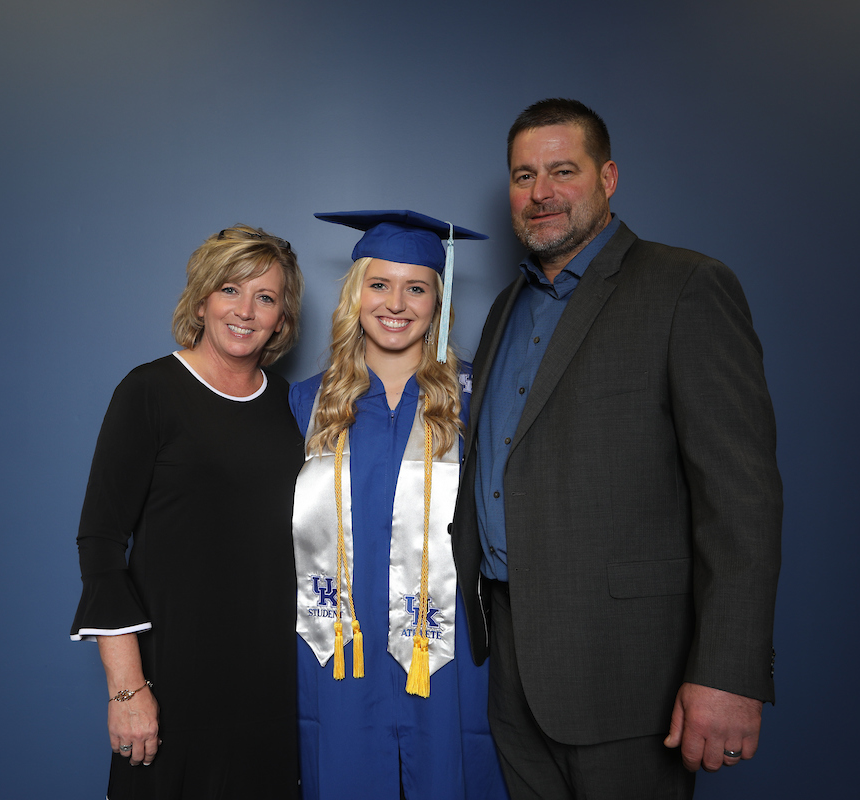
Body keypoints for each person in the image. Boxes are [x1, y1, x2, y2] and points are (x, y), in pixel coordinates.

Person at [449, 98, 783, 799]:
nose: (540, 193)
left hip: (630, 670)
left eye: (562, 170)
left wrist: (728, 670)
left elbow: (741, 497)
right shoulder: (508, 308)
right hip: (511, 659)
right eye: (523, 175)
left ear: (608, 178)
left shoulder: (685, 287)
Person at [70, 224, 305, 799]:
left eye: (265, 297)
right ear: (201, 300)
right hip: (170, 681)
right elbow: (100, 542)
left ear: (282, 318)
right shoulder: (150, 391)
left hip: (271, 685)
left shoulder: (293, 406)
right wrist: (127, 690)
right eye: (230, 290)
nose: (245, 311)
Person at [291, 210, 508, 800]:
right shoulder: (307, 403)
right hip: (337, 650)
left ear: (437, 301)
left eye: (417, 287)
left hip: (443, 647)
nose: (397, 303)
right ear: (355, 293)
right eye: (379, 284)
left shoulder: (476, 399)